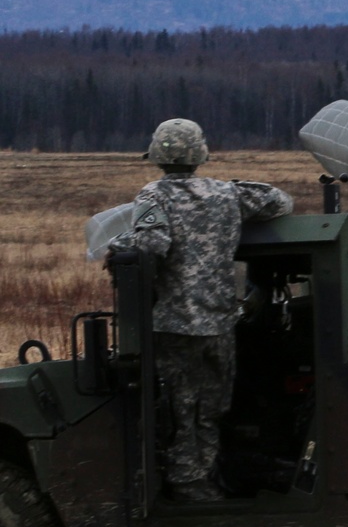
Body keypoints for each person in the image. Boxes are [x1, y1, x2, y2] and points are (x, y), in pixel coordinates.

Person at [107, 118, 293, 502]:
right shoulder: (227, 193)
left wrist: (120, 247)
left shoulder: (153, 196)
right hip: (220, 324)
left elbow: (150, 248)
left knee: (178, 408)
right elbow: (279, 201)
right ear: (201, 154)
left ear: (158, 155)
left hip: (174, 326)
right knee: (212, 408)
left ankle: (185, 483)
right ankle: (205, 480)